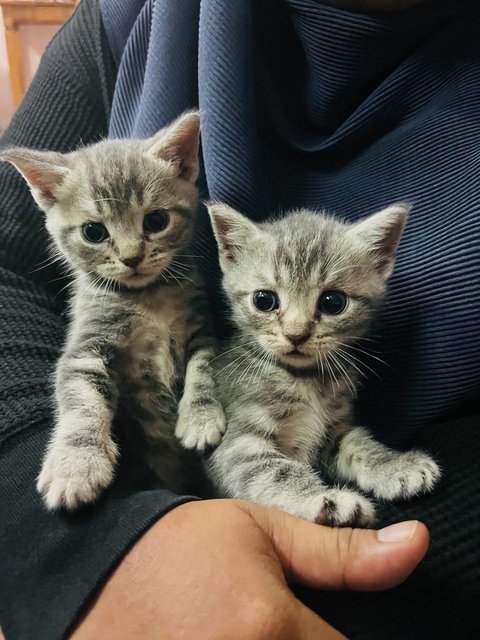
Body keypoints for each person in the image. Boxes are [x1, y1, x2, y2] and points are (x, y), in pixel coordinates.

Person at [0, 0, 478, 638]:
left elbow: (322, 431)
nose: (299, 329)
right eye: (97, 232)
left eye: (329, 304)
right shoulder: (127, 20)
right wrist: (79, 553)